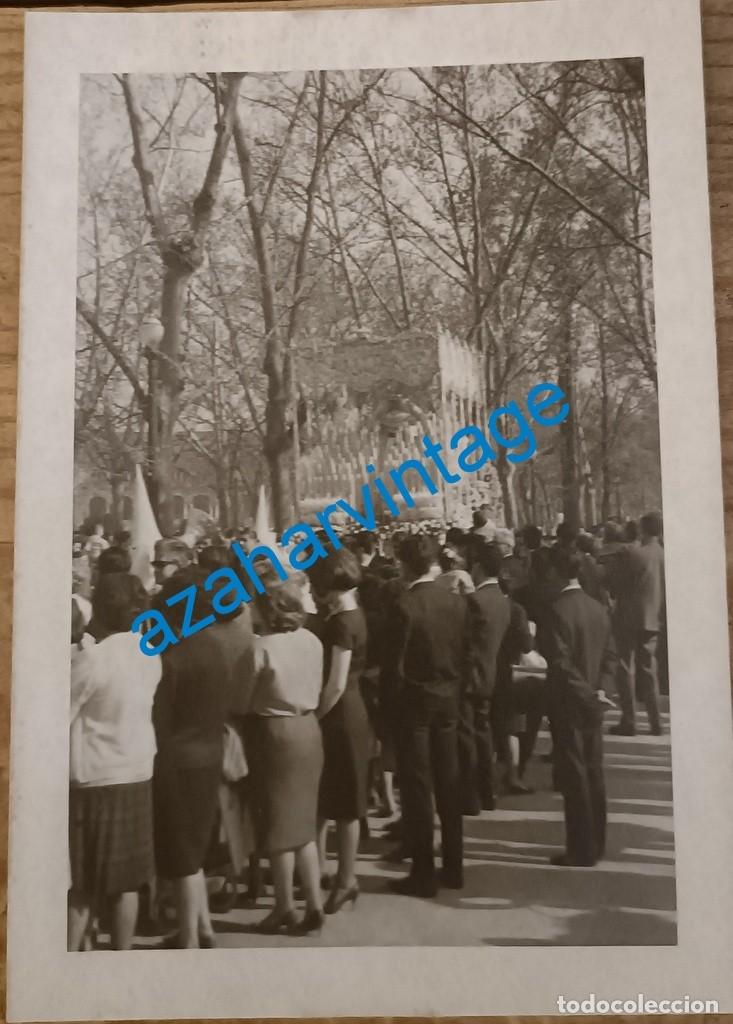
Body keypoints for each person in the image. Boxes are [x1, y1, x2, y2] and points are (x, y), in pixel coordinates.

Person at [68, 573, 161, 951]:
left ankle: (70, 960)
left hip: (96, 777)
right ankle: (120, 959)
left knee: (82, 884)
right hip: (137, 769)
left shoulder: (93, 659)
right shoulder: (150, 653)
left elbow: (60, 712)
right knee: (126, 882)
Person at [151, 567, 243, 948]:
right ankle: (202, 926)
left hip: (176, 760)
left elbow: (160, 716)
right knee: (195, 848)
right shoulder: (215, 644)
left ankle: (188, 937)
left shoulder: (170, 654)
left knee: (180, 856)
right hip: (209, 753)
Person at [239, 574, 325, 936]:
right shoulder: (312, 641)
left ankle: (284, 906)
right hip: (308, 729)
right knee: (302, 823)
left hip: (273, 735)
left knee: (276, 823)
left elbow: (243, 697)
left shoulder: (261, 648)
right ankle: (315, 901)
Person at [383, 535, 468, 897]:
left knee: (418, 788)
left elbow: (394, 666)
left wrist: (389, 710)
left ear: (403, 566)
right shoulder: (456, 601)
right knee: (448, 782)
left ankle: (423, 871)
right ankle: (453, 866)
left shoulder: (405, 605)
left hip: (415, 702)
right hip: (449, 696)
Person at [545, 545, 617, 867]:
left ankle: (581, 847)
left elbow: (560, 664)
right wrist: (601, 691)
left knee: (575, 776)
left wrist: (586, 694)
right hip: (593, 700)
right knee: (594, 771)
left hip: (569, 701)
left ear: (558, 572)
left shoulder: (556, 610)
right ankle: (597, 842)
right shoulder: (597, 607)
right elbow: (610, 656)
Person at [315, 549, 370, 915]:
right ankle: (328, 872)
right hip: (353, 711)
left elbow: (334, 684)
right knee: (336, 800)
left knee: (342, 805)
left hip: (340, 714)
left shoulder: (340, 623)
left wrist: (314, 716)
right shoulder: (355, 615)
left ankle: (345, 878)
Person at [459, 540, 510, 813]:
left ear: (477, 567)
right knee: (483, 733)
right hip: (490, 674)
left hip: (471, 677)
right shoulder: (502, 599)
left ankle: (471, 795)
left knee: (469, 738)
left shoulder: (475, 602)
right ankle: (487, 790)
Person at [610, 511, 666, 736]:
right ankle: (656, 721)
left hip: (628, 616)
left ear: (643, 529)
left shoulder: (633, 554)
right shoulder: (663, 554)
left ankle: (629, 720)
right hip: (653, 617)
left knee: (625, 668)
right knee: (649, 669)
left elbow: (613, 582)